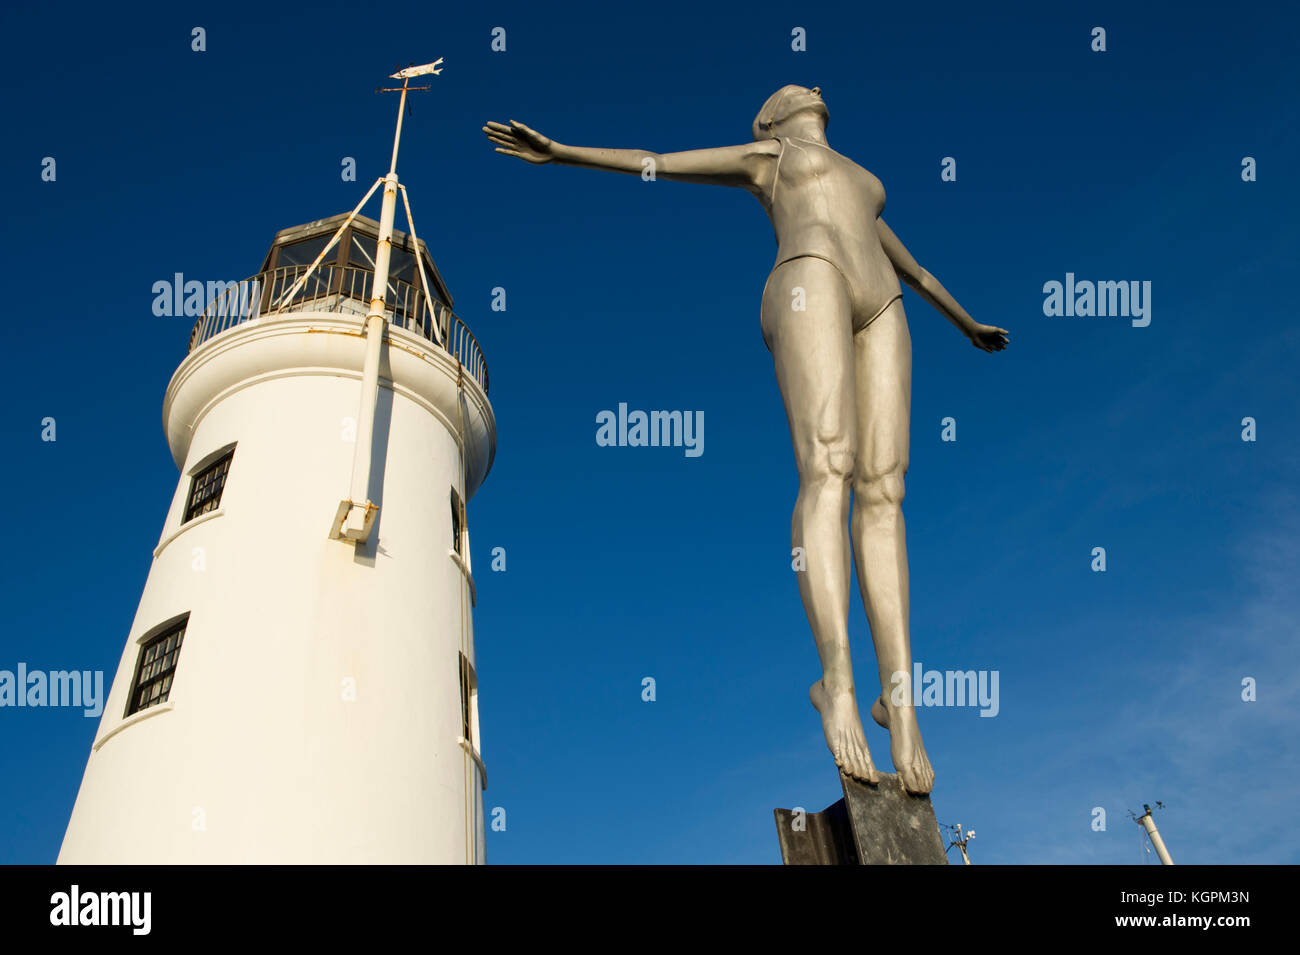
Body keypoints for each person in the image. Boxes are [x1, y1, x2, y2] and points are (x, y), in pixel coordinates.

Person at [484, 85, 1008, 794]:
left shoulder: (858, 177)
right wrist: (565, 152)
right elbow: (658, 162)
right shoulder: (770, 156)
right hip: (808, 276)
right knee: (830, 466)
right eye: (798, 91)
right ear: (772, 118)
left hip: (882, 297)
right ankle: (839, 684)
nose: (814, 88)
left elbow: (913, 268)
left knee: (886, 490)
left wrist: (967, 321)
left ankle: (903, 708)